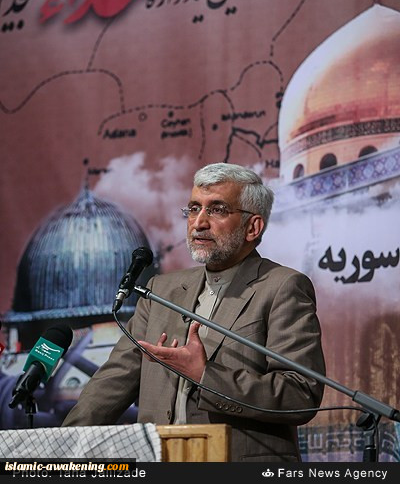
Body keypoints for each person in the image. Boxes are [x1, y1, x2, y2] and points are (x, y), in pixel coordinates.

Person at [63, 162, 326, 462]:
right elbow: (112, 382)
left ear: (252, 227)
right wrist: (59, 452)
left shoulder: (282, 287)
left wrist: (205, 376)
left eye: (217, 210)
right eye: (193, 208)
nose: (199, 222)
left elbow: (300, 394)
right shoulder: (160, 291)